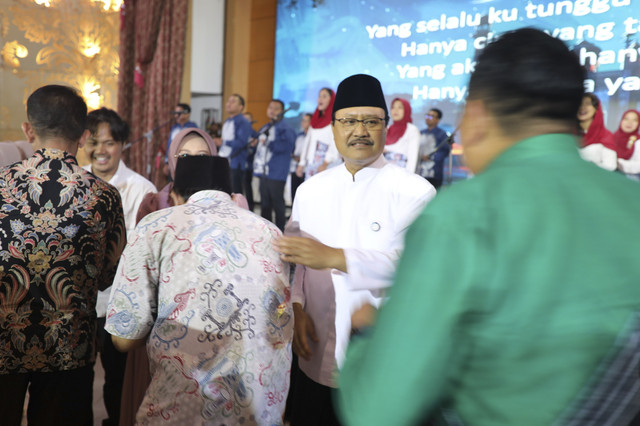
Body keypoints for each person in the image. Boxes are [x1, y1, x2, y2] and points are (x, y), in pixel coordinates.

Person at [337, 28, 640, 426]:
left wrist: (368, 339)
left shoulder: (463, 215)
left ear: (477, 116)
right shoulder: (630, 204)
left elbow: (376, 412)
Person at [274, 74, 436, 425]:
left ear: (386, 127)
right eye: (348, 121)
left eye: (371, 121)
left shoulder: (414, 191)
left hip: (378, 362)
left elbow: (415, 267)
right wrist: (298, 309)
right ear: (333, 128)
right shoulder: (310, 190)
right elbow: (298, 264)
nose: (359, 130)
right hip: (314, 353)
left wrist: (335, 257)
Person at [105, 155, 293, 425]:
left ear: (176, 196)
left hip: (182, 408)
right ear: (230, 194)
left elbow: (124, 338)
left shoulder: (156, 226)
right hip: (261, 410)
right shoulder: (271, 232)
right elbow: (279, 327)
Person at [0, 85, 126, 425]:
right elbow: (107, 278)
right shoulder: (105, 196)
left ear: (28, 130)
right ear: (83, 136)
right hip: (69, 346)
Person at [83, 107, 156, 426]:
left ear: (123, 145)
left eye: (109, 142)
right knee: (78, 382)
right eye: (94, 142)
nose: (101, 150)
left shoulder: (143, 190)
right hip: (79, 303)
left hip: (119, 302)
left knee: (118, 380)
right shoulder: (75, 182)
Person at [253, 99, 296, 230]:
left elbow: (288, 147)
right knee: (265, 204)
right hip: (263, 171)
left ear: (282, 112)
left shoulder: (285, 128)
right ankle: (266, 231)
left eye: (276, 108)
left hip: (277, 171)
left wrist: (269, 143)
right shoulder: (266, 127)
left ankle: (280, 231)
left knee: (277, 203)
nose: (272, 110)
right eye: (270, 107)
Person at [214, 94, 253, 196]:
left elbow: (242, 143)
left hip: (235, 163)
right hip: (224, 161)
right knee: (223, 192)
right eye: (228, 101)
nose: (229, 104)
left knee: (234, 194)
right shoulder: (227, 121)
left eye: (233, 102)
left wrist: (224, 142)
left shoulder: (243, 122)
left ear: (241, 107)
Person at [296, 88, 339, 179]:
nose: (320, 99)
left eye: (324, 96)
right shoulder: (315, 120)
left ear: (331, 100)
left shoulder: (334, 121)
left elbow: (334, 143)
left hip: (327, 166)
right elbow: (307, 142)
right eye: (319, 96)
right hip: (311, 165)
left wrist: (325, 163)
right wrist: (302, 163)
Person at [577, 93, 617, 171]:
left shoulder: (606, 135)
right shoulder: (568, 133)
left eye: (587, 103)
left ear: (596, 109)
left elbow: (611, 166)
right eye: (579, 104)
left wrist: (589, 166)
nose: (582, 107)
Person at [384, 97, 420, 172]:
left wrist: (408, 179)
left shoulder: (411, 129)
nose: (395, 110)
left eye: (400, 107)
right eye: (393, 107)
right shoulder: (387, 129)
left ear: (406, 110)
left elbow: (412, 158)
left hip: (401, 175)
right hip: (382, 173)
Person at [418, 108, 451, 189]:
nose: (428, 118)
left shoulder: (442, 134)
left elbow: (445, 151)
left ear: (438, 120)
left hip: (434, 174)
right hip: (419, 172)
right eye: (427, 115)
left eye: (432, 116)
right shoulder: (421, 132)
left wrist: (430, 157)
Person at [290, 113, 312, 202]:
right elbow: (293, 150)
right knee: (294, 192)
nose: (303, 123)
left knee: (303, 194)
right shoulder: (299, 135)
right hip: (295, 166)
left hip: (306, 169)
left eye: (306, 121)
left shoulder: (313, 136)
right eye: (302, 120)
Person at [615, 109, 640, 176]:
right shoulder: (611, 138)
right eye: (626, 119)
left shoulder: (638, 142)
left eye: (634, 120)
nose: (629, 122)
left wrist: (618, 163)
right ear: (621, 121)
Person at [243, 111, 259, 211]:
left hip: (249, 164)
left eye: (247, 119)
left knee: (247, 186)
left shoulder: (255, 134)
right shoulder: (240, 132)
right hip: (238, 165)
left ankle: (250, 208)